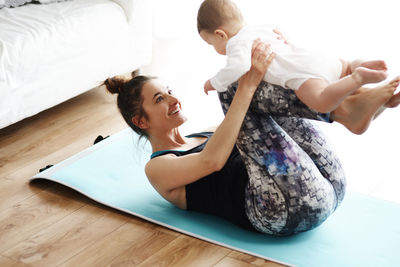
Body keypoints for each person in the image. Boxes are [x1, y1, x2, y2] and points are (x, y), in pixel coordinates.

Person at [103, 40, 400, 236]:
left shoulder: (203, 133)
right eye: (159, 98)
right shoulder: (157, 167)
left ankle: (346, 106)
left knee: (254, 95)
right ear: (141, 121)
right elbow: (213, 161)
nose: (172, 98)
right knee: (234, 90)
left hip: (328, 186)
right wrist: (243, 85)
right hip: (282, 211)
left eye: (169, 90)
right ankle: (342, 110)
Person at [197, 0, 391, 115]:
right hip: (316, 57)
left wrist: (213, 82)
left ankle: (358, 78)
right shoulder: (260, 28)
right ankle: (358, 66)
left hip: (304, 74)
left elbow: (236, 68)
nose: (215, 48)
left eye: (211, 43)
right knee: (345, 66)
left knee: (321, 101)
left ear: (221, 34)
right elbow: (283, 36)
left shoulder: (236, 43)